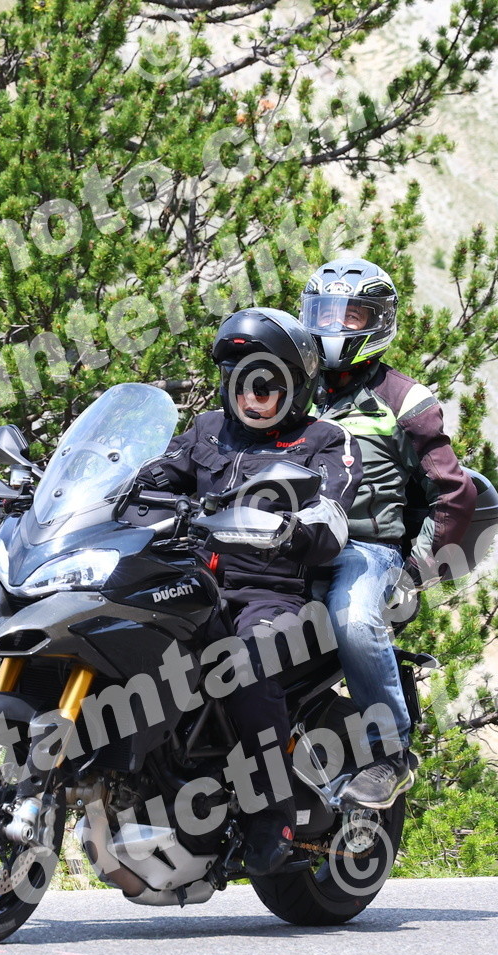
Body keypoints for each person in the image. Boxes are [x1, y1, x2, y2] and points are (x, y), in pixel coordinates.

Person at [136, 307, 361, 875]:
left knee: (245, 663)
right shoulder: (205, 432)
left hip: (270, 592)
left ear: (295, 387)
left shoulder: (323, 440)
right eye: (242, 382)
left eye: (266, 385)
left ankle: (272, 810)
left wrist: (292, 527)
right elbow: (151, 477)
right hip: (190, 581)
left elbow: (331, 513)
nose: (252, 396)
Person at [300, 257, 479, 808]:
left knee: (355, 621)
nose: (336, 326)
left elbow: (454, 494)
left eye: (351, 315)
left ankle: (389, 755)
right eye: (326, 314)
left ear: (378, 321)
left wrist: (414, 572)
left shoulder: (404, 399)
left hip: (364, 549)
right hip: (287, 542)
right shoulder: (290, 389)